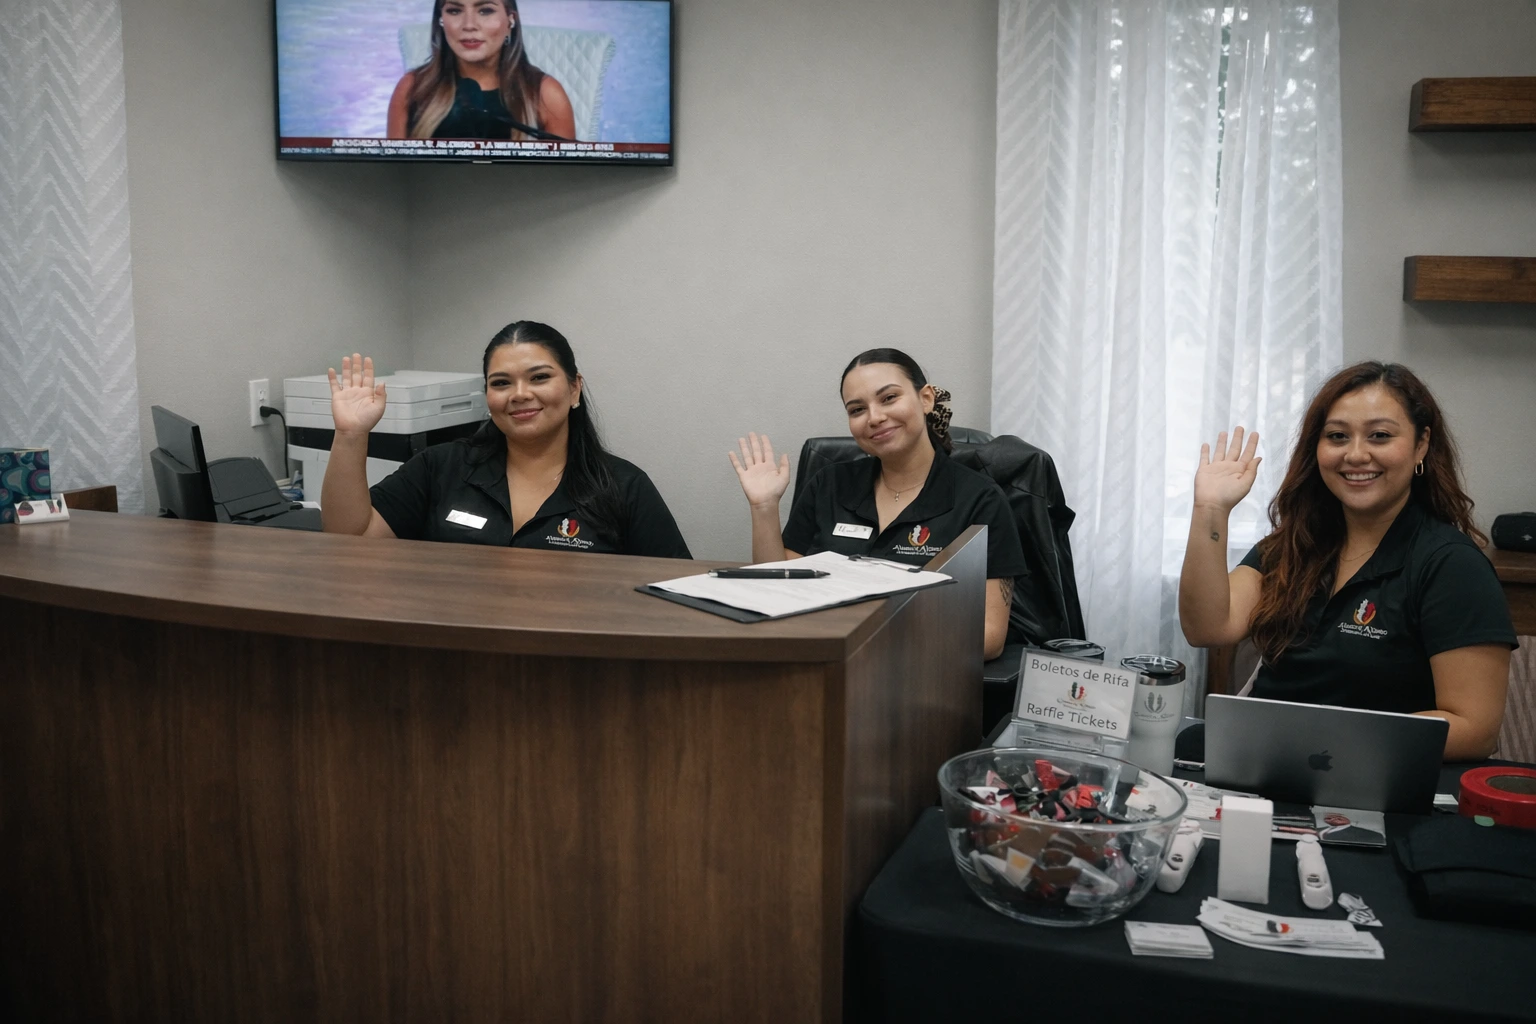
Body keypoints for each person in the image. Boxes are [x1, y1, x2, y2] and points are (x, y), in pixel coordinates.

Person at [1178, 361, 1514, 760]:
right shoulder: (1295, 544)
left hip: (1373, 777)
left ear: (1421, 444)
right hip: (1262, 762)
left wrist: (1324, 743)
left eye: (1380, 436)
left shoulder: (1452, 565)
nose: (1355, 454)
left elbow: (1475, 729)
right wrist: (1210, 509)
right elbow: (1208, 627)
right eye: (1337, 436)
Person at [729, 349, 1029, 660]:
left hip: (920, 671)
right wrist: (763, 507)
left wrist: (867, 642)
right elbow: (776, 590)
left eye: (889, 398)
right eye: (857, 409)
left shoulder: (980, 499)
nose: (874, 418)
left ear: (926, 399)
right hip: (820, 662)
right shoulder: (829, 484)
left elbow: (989, 636)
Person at [321, 321, 691, 558]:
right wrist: (351, 435)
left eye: (539, 377)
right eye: (501, 383)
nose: (520, 394)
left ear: (574, 388)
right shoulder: (440, 467)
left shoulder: (624, 487)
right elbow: (352, 541)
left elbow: (672, 591)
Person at [386, 0, 575, 142]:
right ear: (441, 20)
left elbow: (566, 179)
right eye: (454, 10)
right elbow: (393, 176)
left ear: (510, 20)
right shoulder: (410, 88)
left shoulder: (547, 94)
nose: (469, 25)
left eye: (485, 10)